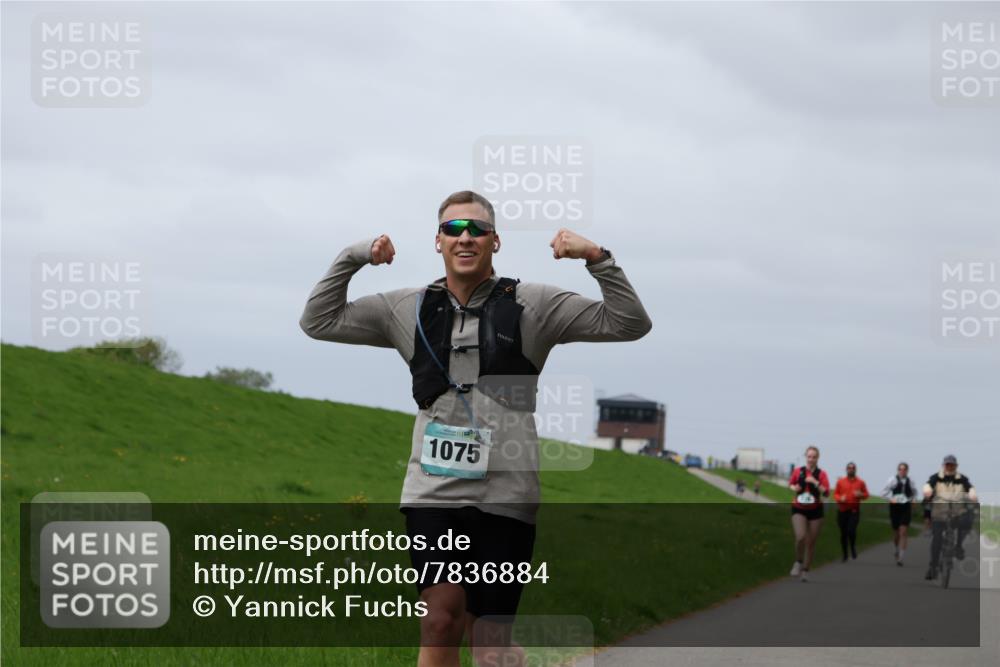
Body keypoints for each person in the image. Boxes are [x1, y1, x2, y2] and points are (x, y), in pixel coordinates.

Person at [299, 190, 652, 667]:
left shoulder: (535, 304)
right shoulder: (406, 307)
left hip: (508, 495)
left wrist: (596, 257)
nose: (465, 238)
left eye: (477, 230)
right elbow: (319, 320)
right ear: (438, 242)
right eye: (453, 229)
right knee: (440, 620)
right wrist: (356, 256)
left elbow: (629, 322)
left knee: (489, 644)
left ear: (495, 242)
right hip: (432, 492)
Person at [923, 455, 978, 581]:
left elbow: (970, 488)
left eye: (952, 465)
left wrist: (972, 494)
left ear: (956, 466)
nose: (949, 467)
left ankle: (958, 546)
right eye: (947, 464)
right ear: (943, 465)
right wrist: (928, 491)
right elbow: (928, 485)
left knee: (966, 521)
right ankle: (933, 567)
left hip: (957, 512)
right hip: (940, 513)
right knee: (936, 540)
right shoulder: (936, 477)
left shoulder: (962, 478)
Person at [788, 445, 831, 582]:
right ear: (805, 457)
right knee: (800, 537)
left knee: (811, 542)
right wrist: (795, 487)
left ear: (817, 458)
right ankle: (798, 561)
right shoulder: (798, 471)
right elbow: (790, 484)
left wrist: (815, 482)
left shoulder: (821, 474)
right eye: (809, 456)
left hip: (815, 510)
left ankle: (806, 570)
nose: (811, 459)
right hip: (799, 508)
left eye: (814, 457)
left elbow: (826, 492)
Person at [880, 461, 920, 566]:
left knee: (903, 531)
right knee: (896, 533)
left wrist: (914, 500)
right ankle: (896, 549)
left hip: (906, 507)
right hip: (895, 508)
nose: (902, 471)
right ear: (898, 470)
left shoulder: (910, 481)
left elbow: (915, 492)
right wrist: (890, 499)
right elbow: (883, 493)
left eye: (904, 469)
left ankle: (901, 558)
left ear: (907, 470)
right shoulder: (892, 480)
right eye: (900, 469)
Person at [833, 462, 869, 562]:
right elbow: (835, 494)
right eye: (849, 468)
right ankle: (845, 554)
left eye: (853, 468)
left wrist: (860, 494)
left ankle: (852, 547)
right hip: (842, 511)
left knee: (851, 531)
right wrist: (840, 498)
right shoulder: (840, 482)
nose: (851, 469)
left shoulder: (861, 482)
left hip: (854, 511)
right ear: (846, 470)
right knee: (843, 534)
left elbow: (866, 495)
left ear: (855, 470)